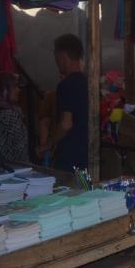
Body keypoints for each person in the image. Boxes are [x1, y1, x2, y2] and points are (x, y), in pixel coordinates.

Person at [47, 34, 88, 171]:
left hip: (69, 158)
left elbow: (66, 124)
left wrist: (49, 143)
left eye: (56, 58)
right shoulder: (89, 83)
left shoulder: (66, 85)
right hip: (87, 156)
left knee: (67, 192)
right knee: (85, 190)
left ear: (62, 56)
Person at [0, 72, 29, 164]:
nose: (18, 90)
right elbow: (20, 150)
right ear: (3, 89)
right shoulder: (8, 115)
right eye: (15, 86)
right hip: (13, 170)